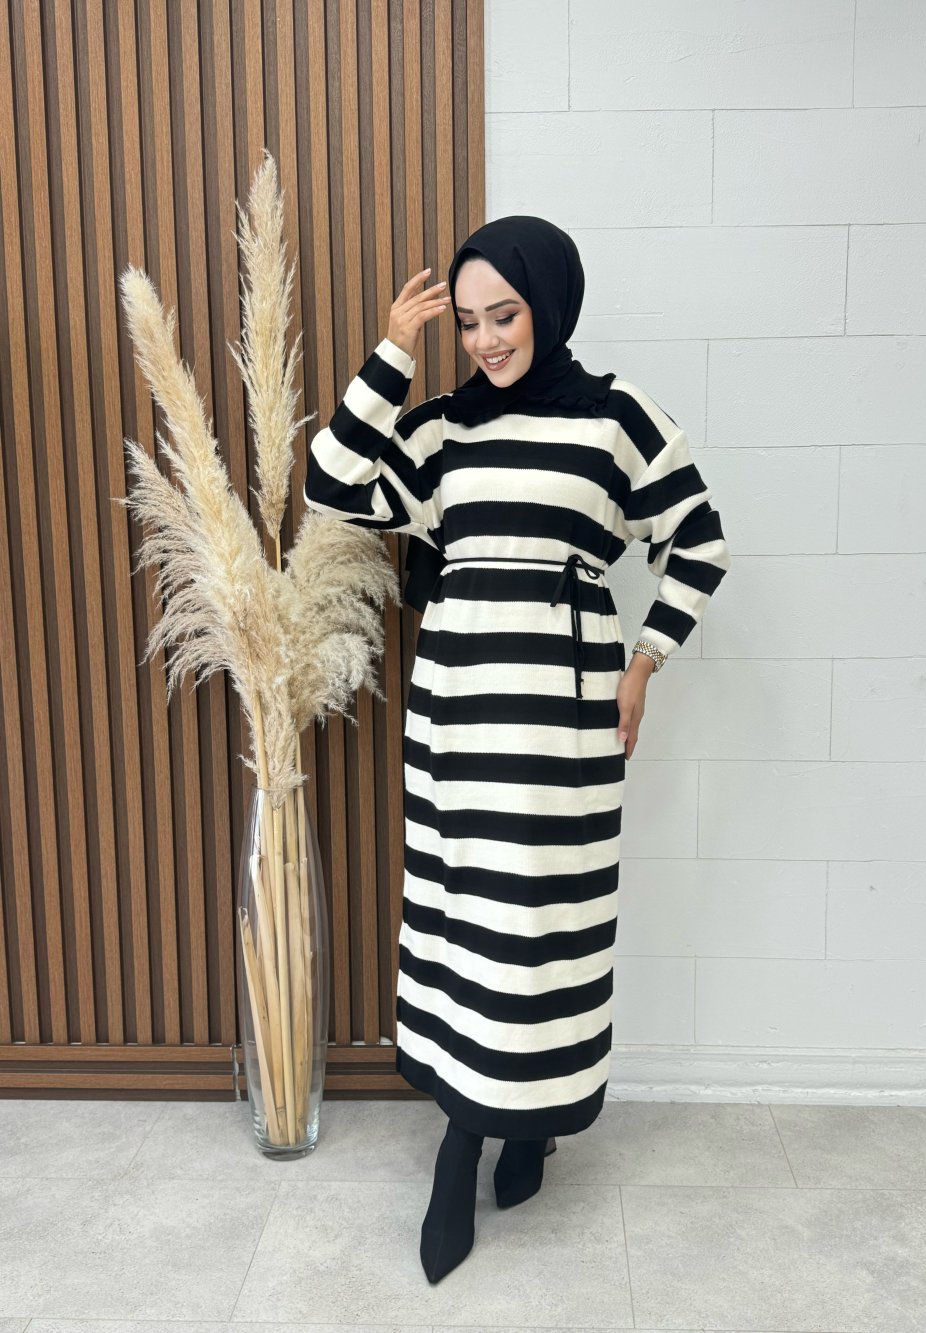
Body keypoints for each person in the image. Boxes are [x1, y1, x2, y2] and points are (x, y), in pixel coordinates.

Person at [304, 214, 732, 1284]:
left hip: (564, 713)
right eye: (467, 322)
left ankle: (525, 1121)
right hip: (456, 711)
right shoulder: (440, 429)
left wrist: (645, 663)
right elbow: (329, 485)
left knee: (543, 918)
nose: (487, 339)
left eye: (506, 314)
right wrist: (392, 352)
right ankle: (466, 1137)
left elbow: (698, 540)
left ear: (548, 304)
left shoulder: (616, 420)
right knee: (468, 916)